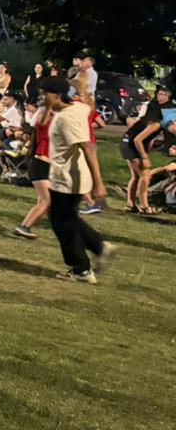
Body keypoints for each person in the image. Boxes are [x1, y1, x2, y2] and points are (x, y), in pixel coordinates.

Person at [41, 75, 115, 283]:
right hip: (66, 175)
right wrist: (83, 89)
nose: (43, 98)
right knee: (64, 218)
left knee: (62, 223)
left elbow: (88, 148)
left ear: (56, 95)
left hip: (69, 177)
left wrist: (99, 184)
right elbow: (89, 107)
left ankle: (82, 269)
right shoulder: (77, 108)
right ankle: (99, 246)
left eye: (45, 94)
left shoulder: (67, 118)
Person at [119, 85, 174, 214]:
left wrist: (146, 153)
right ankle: (144, 207)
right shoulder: (156, 123)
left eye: (164, 94)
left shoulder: (159, 118)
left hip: (129, 142)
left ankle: (130, 205)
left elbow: (150, 140)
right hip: (130, 143)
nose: (160, 96)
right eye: (159, 94)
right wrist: (144, 157)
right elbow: (138, 139)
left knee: (136, 176)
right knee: (144, 176)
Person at [13, 100, 55, 239]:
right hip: (41, 165)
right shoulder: (45, 121)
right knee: (45, 200)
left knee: (47, 201)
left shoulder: (51, 120)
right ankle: (24, 226)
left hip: (46, 164)